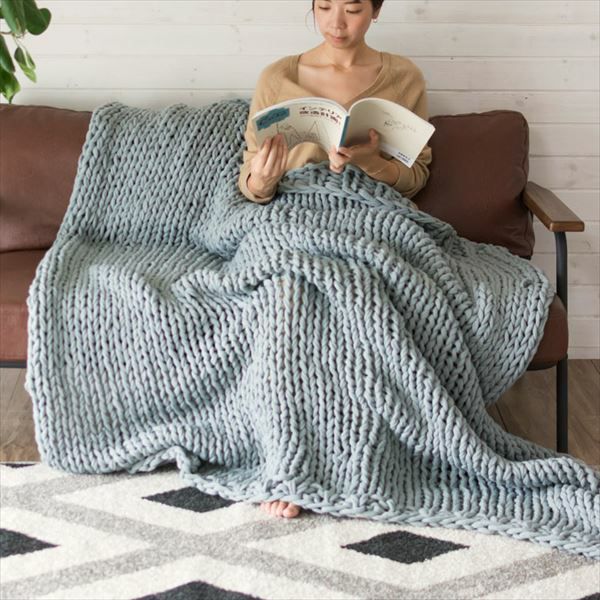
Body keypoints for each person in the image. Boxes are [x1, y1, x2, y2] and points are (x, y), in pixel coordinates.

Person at [239, 0, 433, 519]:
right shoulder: (277, 77)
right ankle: (288, 462)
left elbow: (416, 177)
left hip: (370, 214)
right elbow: (251, 183)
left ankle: (355, 460)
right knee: (288, 293)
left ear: (375, 11)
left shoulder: (405, 77)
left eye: (351, 9)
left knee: (365, 292)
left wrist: (371, 161)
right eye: (323, 6)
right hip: (296, 212)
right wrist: (262, 178)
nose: (336, 23)